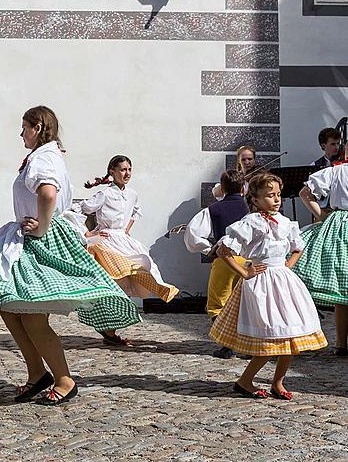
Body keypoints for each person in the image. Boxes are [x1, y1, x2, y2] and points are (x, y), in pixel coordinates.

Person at [0, 106, 141, 406]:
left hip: (41, 241)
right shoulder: (45, 156)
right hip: (32, 236)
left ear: (38, 126)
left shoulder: (44, 158)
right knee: (6, 303)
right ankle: (37, 374)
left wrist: (42, 227)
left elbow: (47, 193)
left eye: (24, 128)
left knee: (31, 314)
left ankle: (64, 379)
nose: (21, 134)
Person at [210, 173, 327, 399]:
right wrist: (245, 271)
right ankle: (245, 380)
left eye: (278, 194)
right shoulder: (250, 223)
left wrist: (287, 265)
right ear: (255, 199)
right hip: (261, 284)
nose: (276, 199)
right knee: (270, 337)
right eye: (269, 195)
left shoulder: (285, 222)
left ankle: (278, 382)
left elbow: (298, 247)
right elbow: (224, 250)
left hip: (283, 282)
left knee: (291, 335)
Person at [74, 155, 179, 345]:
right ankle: (107, 327)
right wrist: (87, 234)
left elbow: (136, 210)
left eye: (129, 169)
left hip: (122, 240)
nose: (127, 173)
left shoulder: (132, 194)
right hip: (105, 241)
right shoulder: (104, 194)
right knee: (116, 281)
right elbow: (78, 209)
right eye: (123, 169)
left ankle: (109, 329)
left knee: (134, 274)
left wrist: (127, 229)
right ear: (112, 172)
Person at [184, 169, 250, 359]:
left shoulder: (212, 209)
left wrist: (210, 248)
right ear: (243, 190)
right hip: (247, 261)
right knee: (246, 304)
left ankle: (227, 344)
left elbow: (192, 234)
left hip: (224, 259)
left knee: (217, 304)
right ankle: (249, 346)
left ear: (222, 189)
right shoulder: (251, 210)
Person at [296, 158, 348, 356]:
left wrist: (322, 216)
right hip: (340, 226)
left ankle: (342, 344)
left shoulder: (335, 172)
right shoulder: (335, 172)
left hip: (339, 224)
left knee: (342, 292)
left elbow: (304, 193)